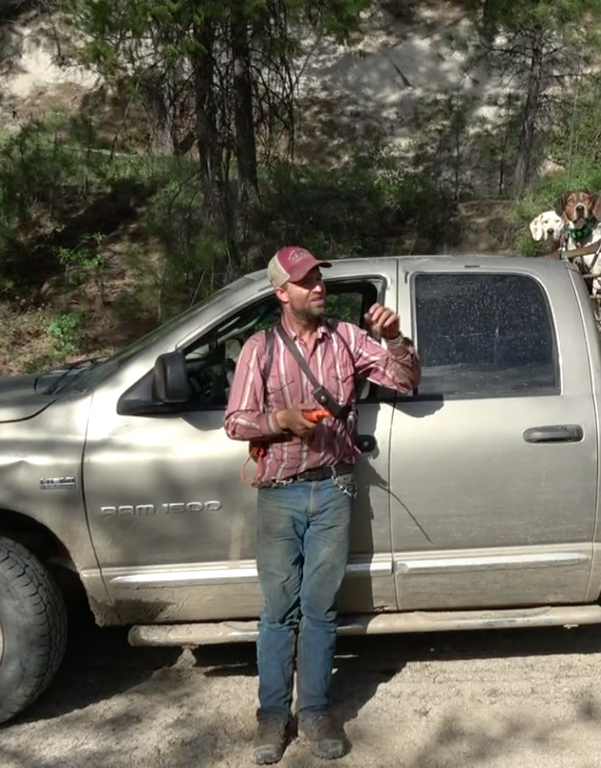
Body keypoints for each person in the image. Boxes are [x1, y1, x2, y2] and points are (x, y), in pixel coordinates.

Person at [223, 245, 421, 764]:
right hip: (279, 494)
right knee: (278, 611)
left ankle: (313, 711)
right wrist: (279, 422)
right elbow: (235, 422)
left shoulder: (348, 340)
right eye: (305, 280)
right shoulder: (258, 349)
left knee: (320, 610)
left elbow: (405, 379)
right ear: (280, 292)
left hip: (334, 490)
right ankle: (271, 717)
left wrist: (395, 339)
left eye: (318, 277)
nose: (317, 286)